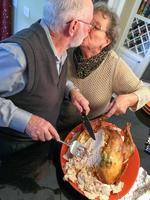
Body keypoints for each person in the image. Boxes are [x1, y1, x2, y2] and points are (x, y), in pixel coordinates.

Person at [0, 0, 94, 159]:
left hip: (38, 148)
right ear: (74, 26)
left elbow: (48, 76)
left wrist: (71, 91)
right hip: (13, 153)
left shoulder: (61, 48)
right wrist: (27, 122)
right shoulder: (18, 55)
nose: (89, 30)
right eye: (89, 24)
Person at [56, 2, 150, 133]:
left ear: (107, 41)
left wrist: (128, 99)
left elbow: (146, 91)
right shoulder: (68, 46)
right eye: (87, 22)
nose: (87, 28)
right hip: (54, 123)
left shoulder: (113, 65)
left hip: (87, 131)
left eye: (95, 27)